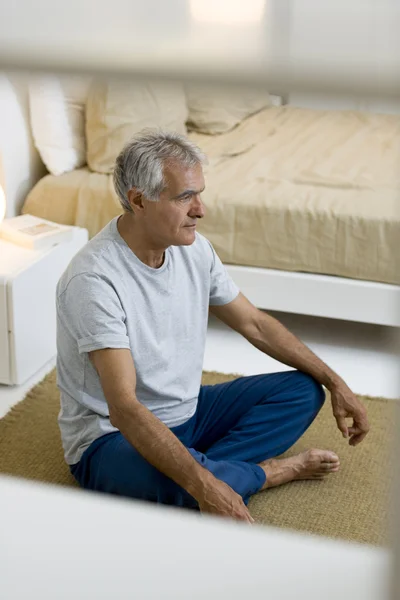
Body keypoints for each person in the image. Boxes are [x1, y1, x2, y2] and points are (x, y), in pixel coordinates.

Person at [56, 129, 370, 523]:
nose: (200, 209)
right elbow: (124, 408)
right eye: (185, 196)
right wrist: (206, 486)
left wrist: (336, 382)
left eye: (199, 194)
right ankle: (264, 473)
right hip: (112, 438)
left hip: (190, 412)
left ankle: (205, 470)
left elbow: (254, 324)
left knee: (304, 390)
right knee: (173, 481)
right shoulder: (94, 280)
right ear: (139, 200)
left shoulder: (193, 247)